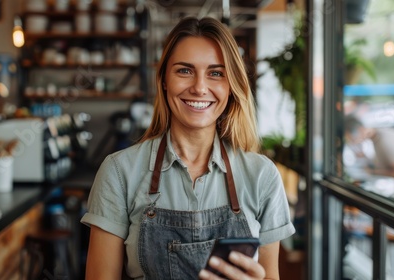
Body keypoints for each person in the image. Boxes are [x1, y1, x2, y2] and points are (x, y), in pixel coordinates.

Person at [81, 16, 295, 280]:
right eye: (184, 70)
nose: (199, 87)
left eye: (216, 73)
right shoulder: (119, 172)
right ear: (164, 81)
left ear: (231, 86)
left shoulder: (262, 176)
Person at [344, 114, 394, 192]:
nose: (353, 143)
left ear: (360, 130)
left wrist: (370, 172)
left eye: (352, 139)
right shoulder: (379, 136)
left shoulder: (385, 141)